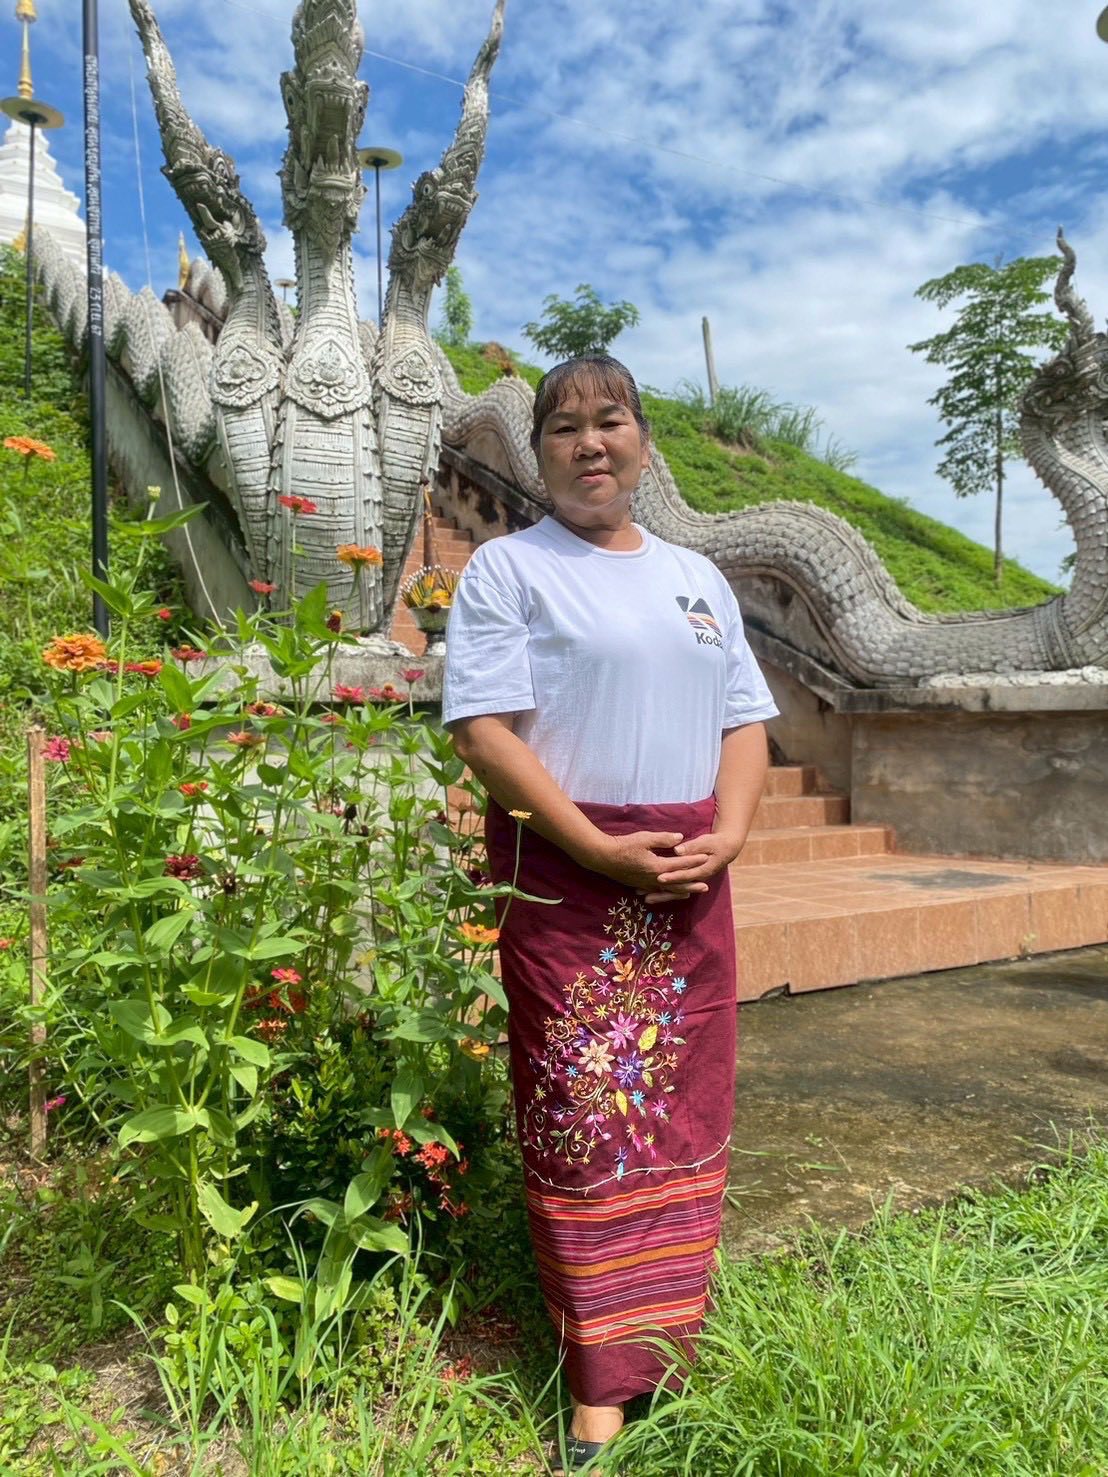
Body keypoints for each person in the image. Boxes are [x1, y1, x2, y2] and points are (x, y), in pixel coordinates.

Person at [443, 354, 778, 1471]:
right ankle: (597, 1379)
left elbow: (743, 722)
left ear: (642, 440)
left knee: (683, 1112)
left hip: (688, 884)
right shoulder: (511, 569)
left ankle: (667, 1343)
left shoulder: (697, 577)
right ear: (538, 452)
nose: (590, 442)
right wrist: (593, 847)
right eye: (564, 426)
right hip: (571, 880)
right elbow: (483, 729)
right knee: (587, 1118)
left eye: (611, 419)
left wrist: (730, 834)